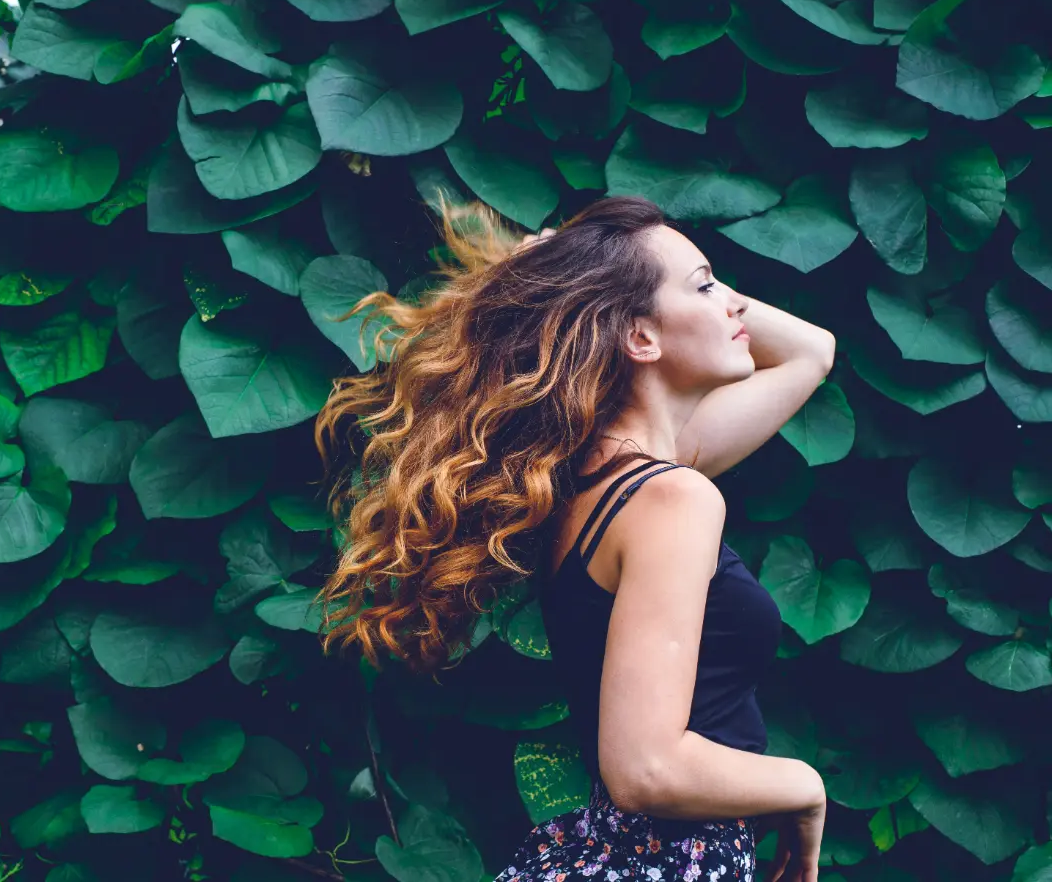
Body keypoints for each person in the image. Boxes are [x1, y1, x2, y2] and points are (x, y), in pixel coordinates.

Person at [311, 196, 836, 882]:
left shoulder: (605, 482)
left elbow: (810, 351)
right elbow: (647, 769)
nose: (735, 303)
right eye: (707, 285)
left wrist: (597, 265)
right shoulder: (669, 497)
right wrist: (804, 788)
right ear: (641, 339)